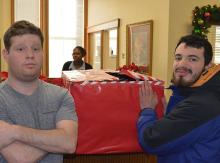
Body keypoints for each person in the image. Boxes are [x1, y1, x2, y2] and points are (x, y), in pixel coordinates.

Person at [0, 20, 78, 163]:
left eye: (36, 49)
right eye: (20, 49)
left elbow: (69, 143)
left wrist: (14, 131)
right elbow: (21, 158)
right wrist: (57, 139)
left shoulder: (62, 96)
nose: (30, 55)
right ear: (6, 54)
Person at [137, 34, 220, 163]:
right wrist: (172, 115)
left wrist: (147, 110)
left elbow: (151, 141)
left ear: (208, 66)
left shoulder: (201, 104)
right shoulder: (201, 91)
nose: (182, 64)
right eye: (178, 57)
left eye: (192, 59)